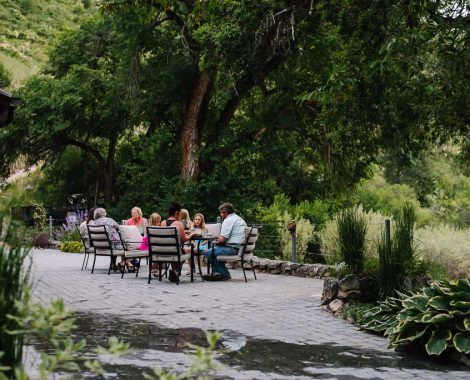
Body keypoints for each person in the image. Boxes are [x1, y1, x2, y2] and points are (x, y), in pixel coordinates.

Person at [204, 202, 247, 281]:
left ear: (225, 212)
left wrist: (216, 240)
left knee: (208, 252)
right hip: (240, 248)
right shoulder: (239, 219)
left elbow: (222, 239)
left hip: (233, 249)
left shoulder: (228, 220)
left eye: (221, 213)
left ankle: (224, 274)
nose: (221, 215)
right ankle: (217, 274)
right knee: (214, 249)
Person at [160, 202, 196, 282]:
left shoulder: (162, 223)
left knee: (175, 248)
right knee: (189, 250)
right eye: (180, 213)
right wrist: (191, 235)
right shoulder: (179, 224)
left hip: (163, 251)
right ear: (176, 213)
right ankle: (176, 271)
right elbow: (184, 239)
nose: (180, 215)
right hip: (175, 252)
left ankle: (174, 271)